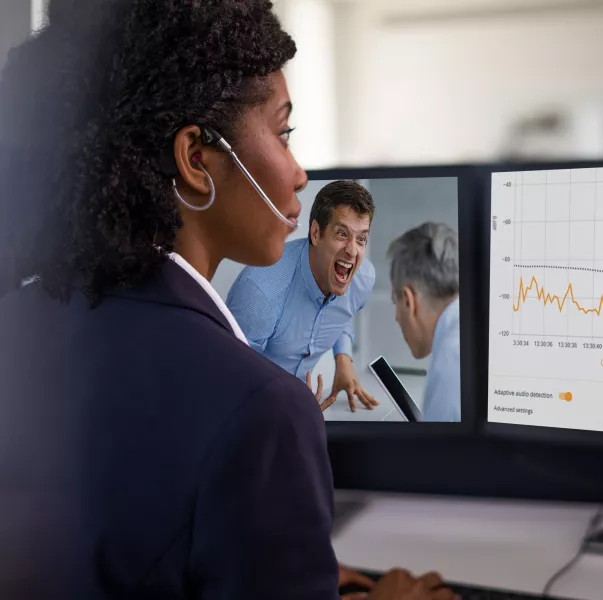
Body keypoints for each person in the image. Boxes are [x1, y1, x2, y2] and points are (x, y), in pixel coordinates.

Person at [0, 1, 454, 598]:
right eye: (283, 133)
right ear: (196, 160)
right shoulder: (262, 410)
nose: (297, 173)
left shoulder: (14, 328)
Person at [227, 180, 380, 413]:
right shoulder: (259, 293)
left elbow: (345, 309)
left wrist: (344, 359)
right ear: (316, 233)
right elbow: (231, 379)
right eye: (342, 234)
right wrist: (290, 408)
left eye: (361, 239)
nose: (352, 250)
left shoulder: (362, 278)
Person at [388, 223, 461, 422]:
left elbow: (436, 452)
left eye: (396, 303)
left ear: (409, 300)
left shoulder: (450, 362)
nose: (396, 317)